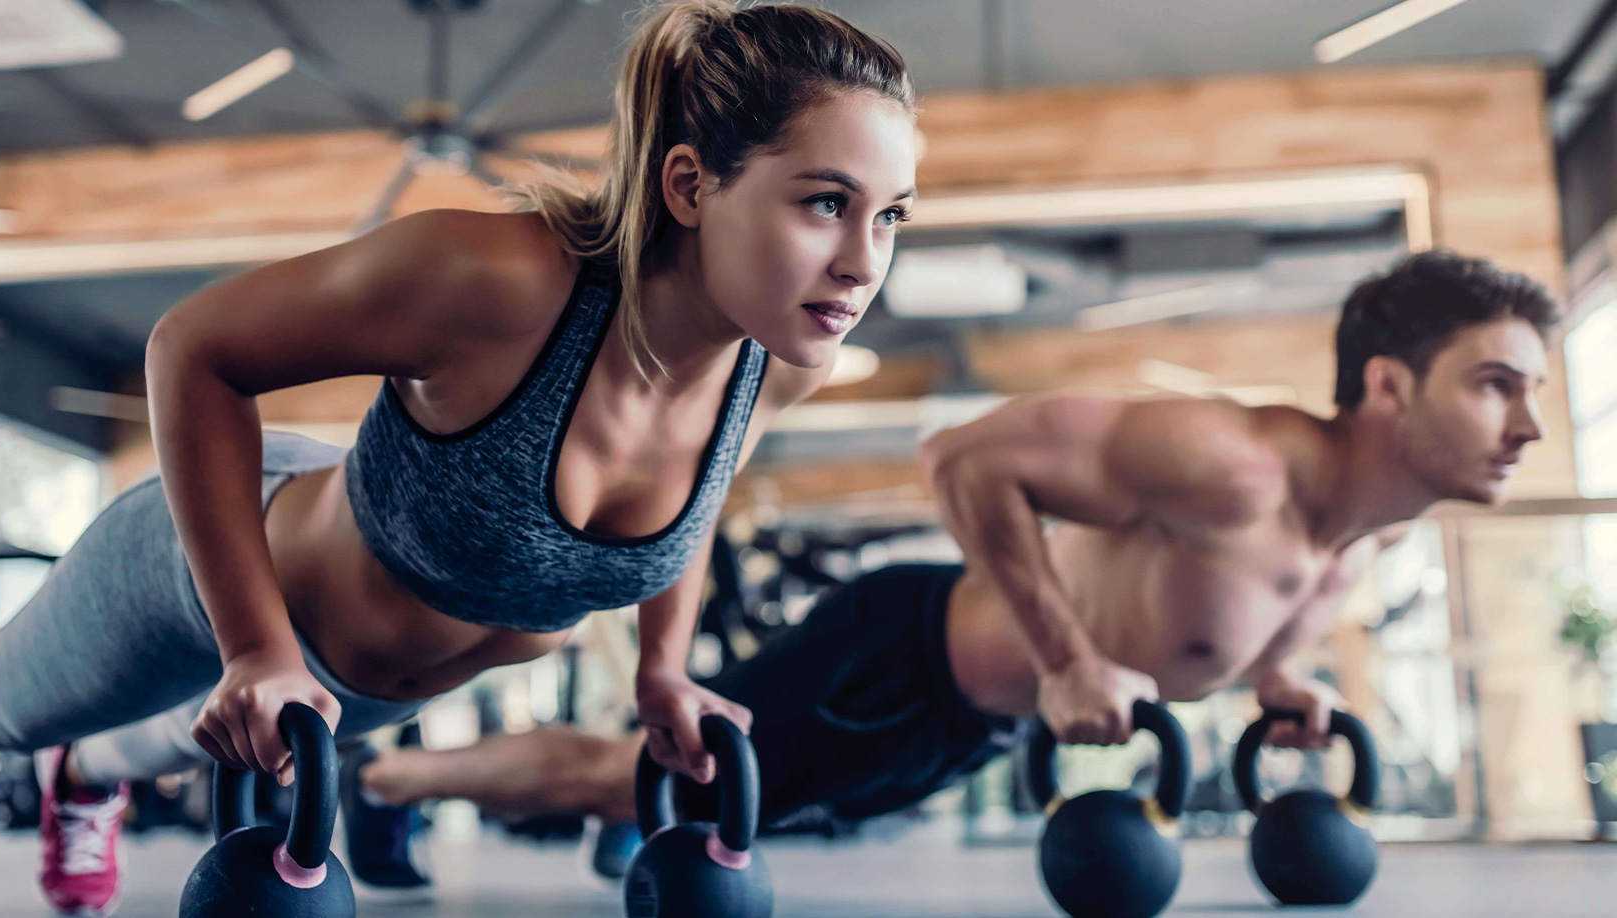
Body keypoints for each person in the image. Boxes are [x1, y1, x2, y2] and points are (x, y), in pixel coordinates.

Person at [0, 3, 920, 916]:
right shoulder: (495, 283)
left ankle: (92, 780)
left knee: (183, 730)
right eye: (826, 202)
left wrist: (663, 670)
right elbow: (193, 348)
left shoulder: (776, 360)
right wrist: (253, 645)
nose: (864, 261)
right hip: (217, 565)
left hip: (334, 686)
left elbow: (690, 511)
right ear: (690, 185)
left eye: (892, 216)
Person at [342, 249, 1555, 877]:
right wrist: (1070, 655)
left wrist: (1281, 679)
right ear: (1390, 387)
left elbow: (1244, 603)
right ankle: (388, 786)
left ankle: (413, 785)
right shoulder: (1229, 460)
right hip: (898, 659)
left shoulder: (1371, 531)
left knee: (670, 799)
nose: (1531, 426)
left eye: (1537, 392)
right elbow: (962, 455)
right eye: (1497, 385)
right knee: (627, 780)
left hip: (954, 725)